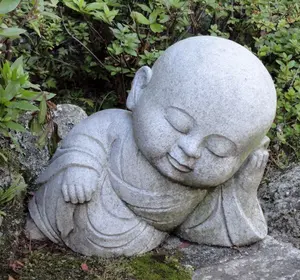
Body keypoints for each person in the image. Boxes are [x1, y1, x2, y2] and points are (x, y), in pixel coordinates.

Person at [27, 36, 277, 257]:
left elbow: (211, 225)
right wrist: (82, 168)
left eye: (218, 150)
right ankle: (41, 226)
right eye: (178, 124)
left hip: (145, 233)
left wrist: (243, 188)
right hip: (93, 199)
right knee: (63, 190)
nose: (191, 149)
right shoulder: (115, 124)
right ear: (140, 89)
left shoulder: (204, 188)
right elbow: (86, 140)